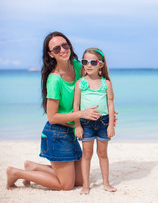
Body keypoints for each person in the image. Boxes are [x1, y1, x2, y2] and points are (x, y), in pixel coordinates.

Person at [6, 31, 103, 190]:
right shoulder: (54, 79)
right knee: (65, 185)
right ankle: (16, 173)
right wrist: (81, 114)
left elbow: (93, 89)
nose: (63, 50)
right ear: (51, 54)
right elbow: (52, 117)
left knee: (78, 181)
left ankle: (33, 166)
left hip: (71, 131)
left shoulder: (79, 67)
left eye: (65, 45)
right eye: (56, 49)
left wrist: (106, 112)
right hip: (56, 133)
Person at [73, 48, 117, 194]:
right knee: (86, 154)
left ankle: (106, 182)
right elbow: (76, 106)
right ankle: (86, 185)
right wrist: (77, 126)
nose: (89, 65)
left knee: (103, 153)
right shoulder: (80, 83)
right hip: (86, 123)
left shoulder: (106, 83)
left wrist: (111, 125)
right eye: (85, 62)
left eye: (93, 62)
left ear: (101, 65)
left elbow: (111, 105)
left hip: (104, 122)